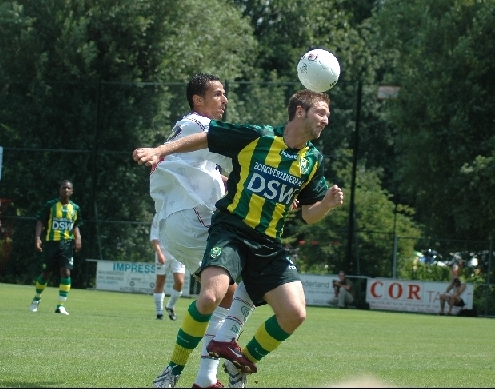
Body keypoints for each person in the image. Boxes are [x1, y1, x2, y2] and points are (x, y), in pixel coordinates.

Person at [134, 88, 344, 387]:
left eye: (327, 115)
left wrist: (326, 205)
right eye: (321, 113)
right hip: (231, 229)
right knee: (210, 297)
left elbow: (309, 215)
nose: (325, 120)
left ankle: (241, 363)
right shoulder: (258, 137)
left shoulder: (312, 160)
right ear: (300, 112)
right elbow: (208, 138)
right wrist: (160, 150)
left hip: (268, 244)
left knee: (294, 314)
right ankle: (172, 371)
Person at [145, 73, 256, 388]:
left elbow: (214, 171)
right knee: (254, 277)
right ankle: (222, 364)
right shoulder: (201, 125)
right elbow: (243, 153)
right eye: (218, 94)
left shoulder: (188, 130)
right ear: (198, 100)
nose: (225, 100)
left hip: (177, 224)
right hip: (194, 217)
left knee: (222, 294)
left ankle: (199, 377)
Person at [29, 180, 83, 315]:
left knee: (66, 272)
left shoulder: (75, 208)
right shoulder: (51, 205)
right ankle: (36, 299)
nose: (66, 190)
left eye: (68, 188)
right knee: (47, 273)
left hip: (67, 244)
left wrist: (78, 238)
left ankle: (60, 306)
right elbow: (40, 221)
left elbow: (75, 225)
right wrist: (37, 238)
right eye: (64, 187)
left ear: (72, 191)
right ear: (59, 190)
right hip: (51, 243)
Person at [150, 219, 186, 321]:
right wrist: (159, 253)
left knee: (180, 282)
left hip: (178, 253)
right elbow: (154, 237)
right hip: (163, 252)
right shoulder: (159, 215)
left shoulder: (182, 213)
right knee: (160, 282)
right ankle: (159, 312)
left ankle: (170, 306)